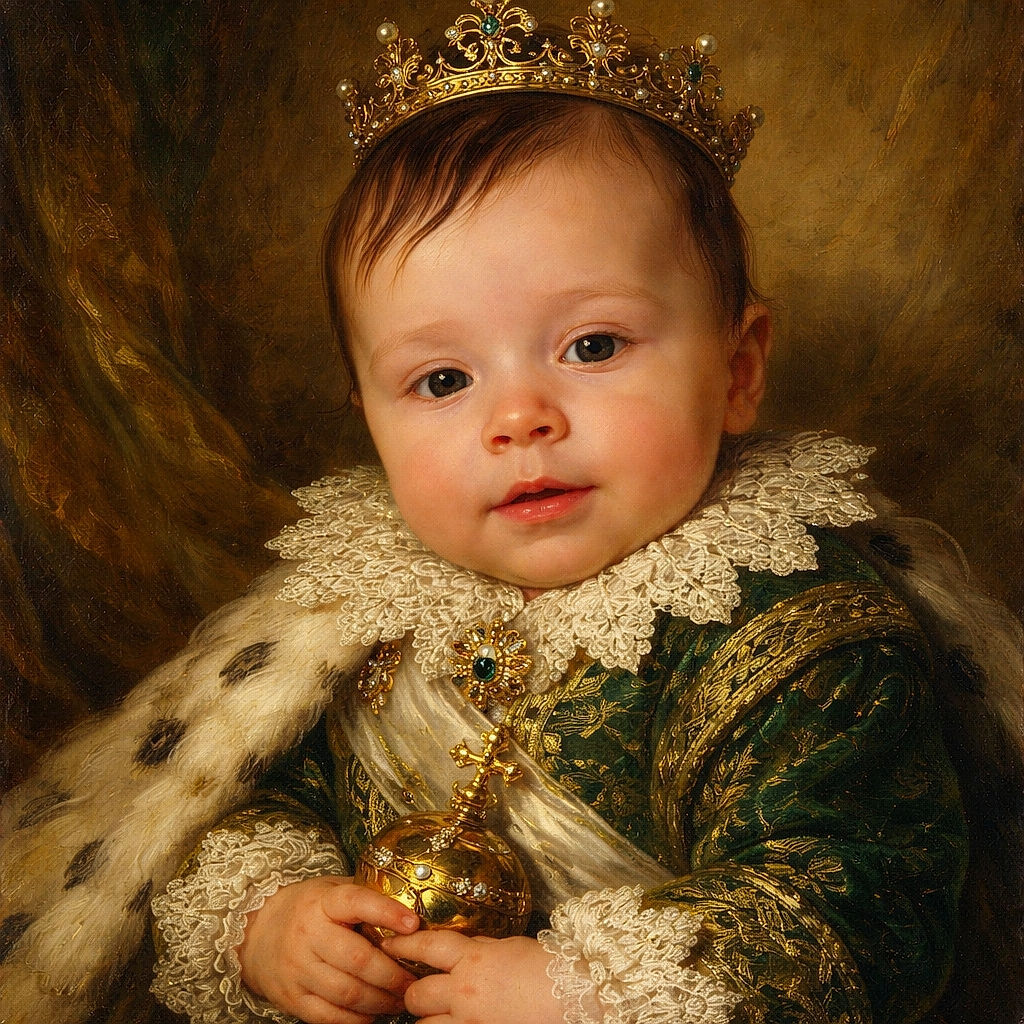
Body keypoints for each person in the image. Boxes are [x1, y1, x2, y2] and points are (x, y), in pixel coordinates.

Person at [1, 3, 1018, 1024]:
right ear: (369, 419)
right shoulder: (361, 605)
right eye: (442, 378)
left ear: (737, 368)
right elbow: (262, 794)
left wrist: (584, 992)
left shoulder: (804, 631)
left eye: (591, 346)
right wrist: (274, 917)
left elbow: (867, 911)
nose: (519, 418)